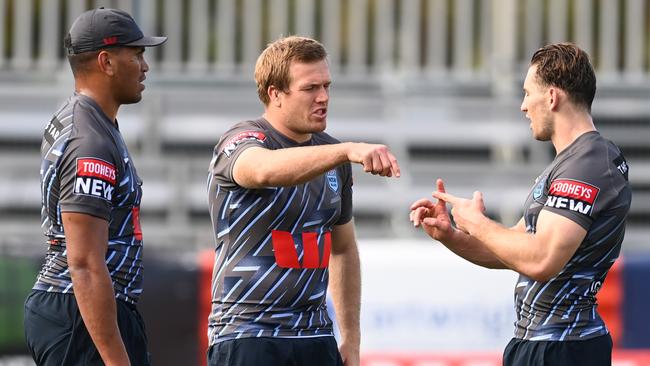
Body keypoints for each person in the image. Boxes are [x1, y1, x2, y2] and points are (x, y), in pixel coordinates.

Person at [410, 43, 631, 366]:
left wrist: (479, 224)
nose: (523, 106)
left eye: (528, 93)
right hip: (540, 343)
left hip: (563, 347)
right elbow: (515, 250)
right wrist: (452, 234)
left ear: (553, 97)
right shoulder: (570, 163)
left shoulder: (589, 164)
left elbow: (541, 260)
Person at [206, 36, 400, 366]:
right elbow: (264, 171)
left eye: (326, 86)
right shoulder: (243, 140)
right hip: (249, 334)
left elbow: (343, 248)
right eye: (310, 88)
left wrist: (350, 338)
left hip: (315, 338)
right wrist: (346, 150)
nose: (323, 97)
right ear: (275, 94)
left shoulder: (332, 157)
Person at [23, 8, 166, 366]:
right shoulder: (90, 141)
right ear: (106, 61)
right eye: (136, 54)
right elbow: (85, 262)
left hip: (81, 309)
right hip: (78, 311)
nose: (145, 66)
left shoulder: (86, 120)